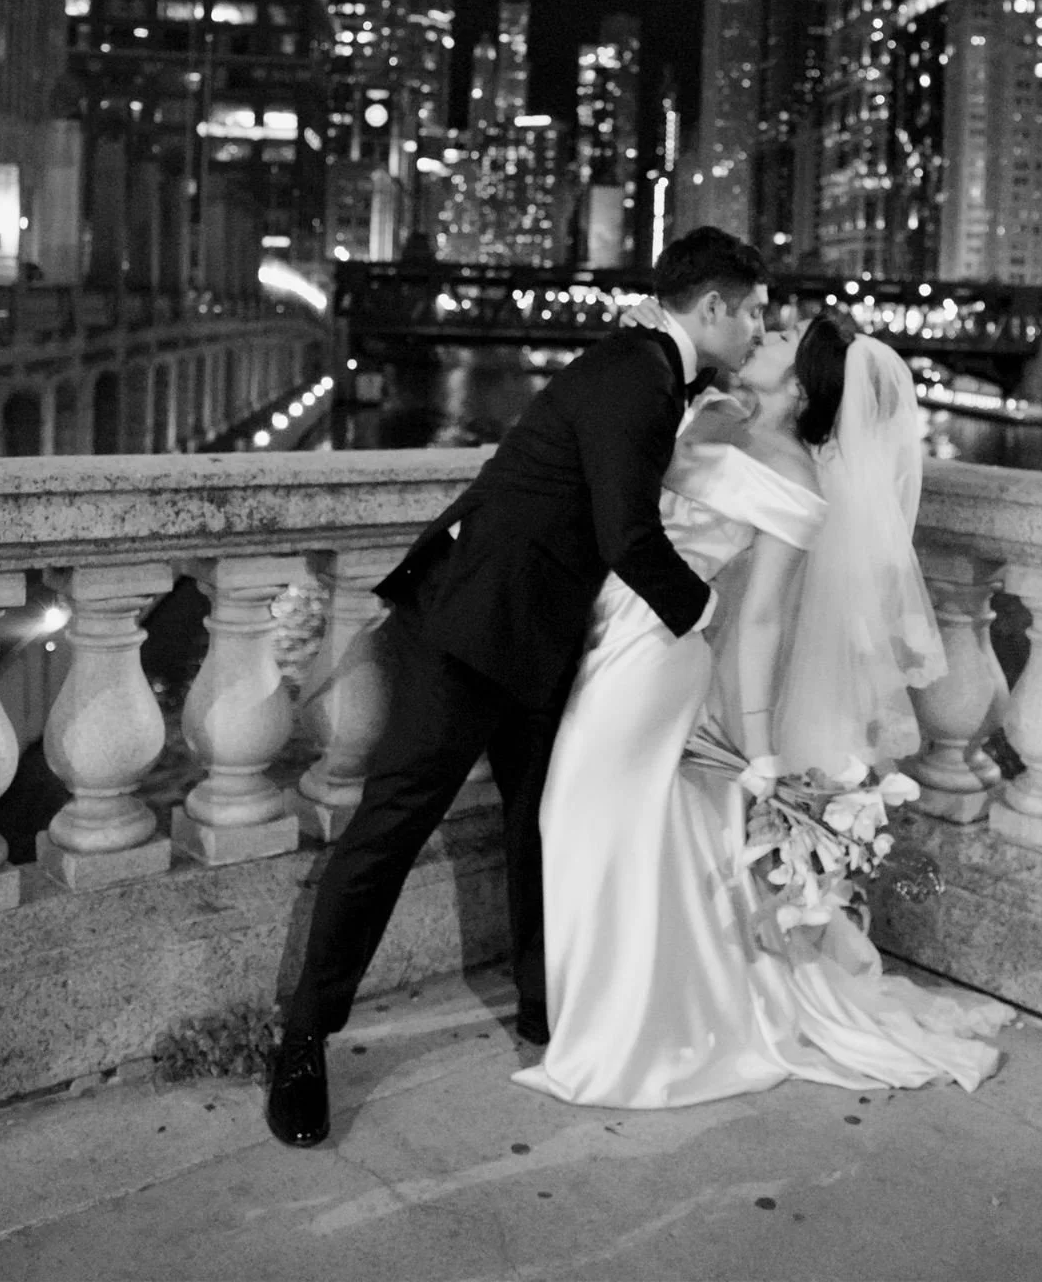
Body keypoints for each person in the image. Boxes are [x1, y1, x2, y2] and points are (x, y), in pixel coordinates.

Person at [265, 226, 769, 1147]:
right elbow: (628, 535)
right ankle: (300, 1043)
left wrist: (710, 401)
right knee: (390, 829)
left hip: (537, 638)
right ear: (713, 308)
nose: (763, 333)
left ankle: (549, 1012)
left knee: (542, 821)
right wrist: (705, 616)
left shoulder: (648, 369)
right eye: (756, 314)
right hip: (466, 630)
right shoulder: (637, 378)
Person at [514, 312, 1014, 1109]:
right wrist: (690, 429)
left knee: (583, 814)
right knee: (618, 827)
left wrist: (757, 758)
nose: (761, 334)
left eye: (779, 338)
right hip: (608, 622)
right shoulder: (721, 419)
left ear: (800, 380)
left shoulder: (797, 476)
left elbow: (760, 620)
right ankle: (628, 1008)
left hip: (657, 650)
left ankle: (625, 1034)